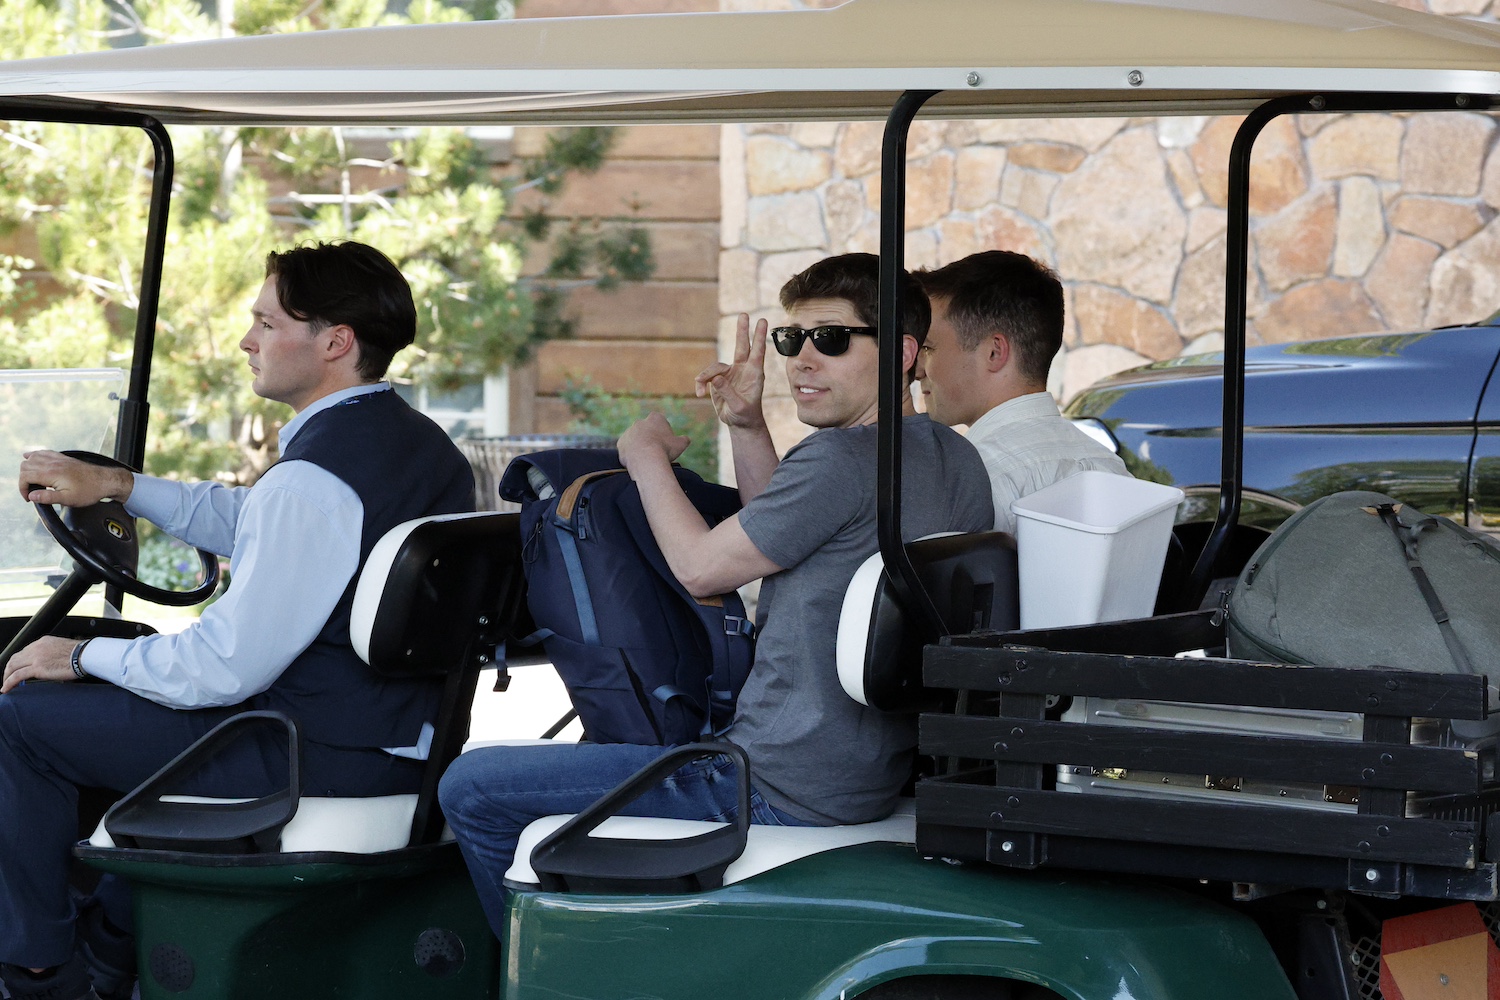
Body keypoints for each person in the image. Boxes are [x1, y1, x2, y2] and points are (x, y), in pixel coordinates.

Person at [439, 253, 992, 933]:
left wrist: (642, 459)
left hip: (766, 785)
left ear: (902, 353)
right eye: (792, 340)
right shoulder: (950, 457)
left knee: (470, 787)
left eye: (832, 339)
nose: (801, 361)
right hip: (860, 772)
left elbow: (703, 570)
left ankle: (526, 970)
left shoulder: (843, 461)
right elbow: (778, 545)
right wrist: (747, 424)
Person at [0, 241, 474, 1000]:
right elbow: (256, 519)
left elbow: (221, 668)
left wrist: (81, 656)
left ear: (334, 343)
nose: (248, 340)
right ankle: (115, 946)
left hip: (300, 753)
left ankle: (38, 974)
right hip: (395, 744)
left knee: (20, 716)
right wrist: (120, 485)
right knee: (123, 685)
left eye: (266, 321)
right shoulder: (417, 446)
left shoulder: (314, 478)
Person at [915, 251, 1129, 535]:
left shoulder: (972, 482)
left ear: (994, 352)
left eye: (928, 347)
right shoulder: (1113, 469)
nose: (917, 370)